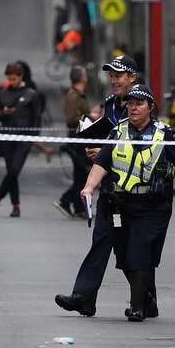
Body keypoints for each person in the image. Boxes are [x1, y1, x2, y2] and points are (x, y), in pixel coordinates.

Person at [79, 84, 175, 321]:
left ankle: (137, 308)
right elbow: (102, 162)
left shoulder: (164, 134)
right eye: (131, 103)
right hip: (121, 203)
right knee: (124, 256)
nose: (133, 108)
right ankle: (148, 300)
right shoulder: (118, 132)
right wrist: (89, 187)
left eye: (139, 104)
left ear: (150, 108)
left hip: (153, 205)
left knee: (140, 252)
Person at [54, 55, 139, 316]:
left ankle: (145, 300)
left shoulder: (141, 104)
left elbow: (141, 143)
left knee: (130, 251)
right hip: (111, 186)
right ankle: (83, 297)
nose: (114, 80)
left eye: (120, 75)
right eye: (111, 75)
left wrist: (104, 151)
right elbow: (109, 138)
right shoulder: (110, 104)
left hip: (136, 190)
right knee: (101, 241)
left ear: (132, 77)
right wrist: (96, 151)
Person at [0, 61, 41, 218]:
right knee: (11, 172)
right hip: (7, 137)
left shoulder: (31, 94)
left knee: (14, 170)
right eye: (9, 79)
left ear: (21, 77)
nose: (11, 82)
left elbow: (37, 118)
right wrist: (4, 112)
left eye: (14, 79)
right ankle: (15, 206)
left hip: (24, 138)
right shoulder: (2, 93)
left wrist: (34, 137)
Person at [56, 65, 91, 218]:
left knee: (80, 175)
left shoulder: (80, 95)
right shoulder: (73, 96)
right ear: (82, 78)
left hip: (82, 139)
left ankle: (78, 208)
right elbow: (71, 119)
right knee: (82, 174)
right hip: (77, 141)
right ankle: (65, 200)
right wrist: (90, 119)